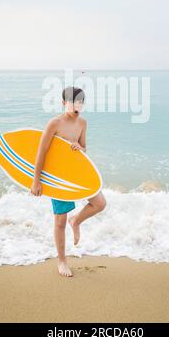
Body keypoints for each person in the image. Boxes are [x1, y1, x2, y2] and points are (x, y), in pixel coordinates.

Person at [30, 86, 106, 277]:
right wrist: (36, 180)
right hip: (58, 178)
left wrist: (79, 147)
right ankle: (62, 262)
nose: (77, 105)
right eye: (73, 102)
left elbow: (84, 149)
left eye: (81, 102)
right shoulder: (54, 123)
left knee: (99, 203)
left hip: (75, 172)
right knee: (60, 221)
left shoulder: (82, 123)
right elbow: (42, 151)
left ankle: (77, 221)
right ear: (64, 103)